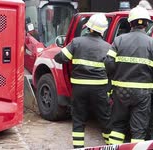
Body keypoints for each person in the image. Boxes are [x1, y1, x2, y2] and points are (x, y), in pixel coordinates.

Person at [104, 6, 153, 144]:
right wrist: (152, 73)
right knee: (138, 129)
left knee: (118, 126)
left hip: (120, 91)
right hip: (142, 93)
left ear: (131, 23)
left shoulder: (119, 40)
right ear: (146, 24)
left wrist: (117, 71)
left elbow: (108, 63)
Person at [54, 13, 111, 148]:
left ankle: (78, 147)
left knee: (79, 119)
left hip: (80, 88)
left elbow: (60, 58)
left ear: (89, 28)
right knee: (105, 118)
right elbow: (112, 68)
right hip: (100, 89)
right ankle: (111, 145)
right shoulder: (108, 47)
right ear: (103, 30)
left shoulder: (77, 42)